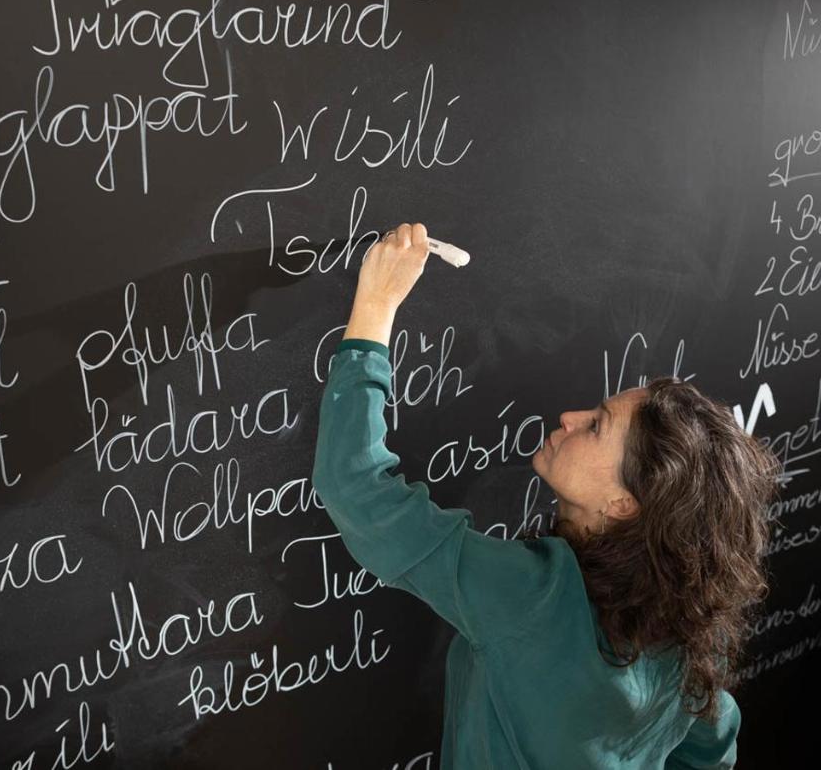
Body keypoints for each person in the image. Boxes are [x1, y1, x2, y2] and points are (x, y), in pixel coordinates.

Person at [312, 223, 780, 769]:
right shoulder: (691, 633)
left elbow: (357, 489)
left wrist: (375, 305)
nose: (571, 417)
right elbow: (711, 754)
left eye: (598, 426)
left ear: (624, 504)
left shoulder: (530, 597)